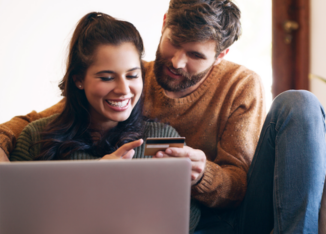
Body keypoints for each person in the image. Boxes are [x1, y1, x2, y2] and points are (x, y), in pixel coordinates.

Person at [0, 0, 326, 233]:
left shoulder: (241, 85)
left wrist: (202, 175)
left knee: (300, 104)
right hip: (168, 214)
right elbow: (45, 121)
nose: (177, 62)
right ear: (164, 22)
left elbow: (241, 185)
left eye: (196, 55)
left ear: (221, 55)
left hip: (233, 214)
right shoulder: (131, 79)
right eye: (174, 43)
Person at [7, 12, 200, 234]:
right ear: (79, 79)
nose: (123, 89)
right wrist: (94, 182)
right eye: (107, 77)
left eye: (132, 75)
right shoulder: (35, 137)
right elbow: (14, 221)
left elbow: (184, 223)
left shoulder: (162, 139)